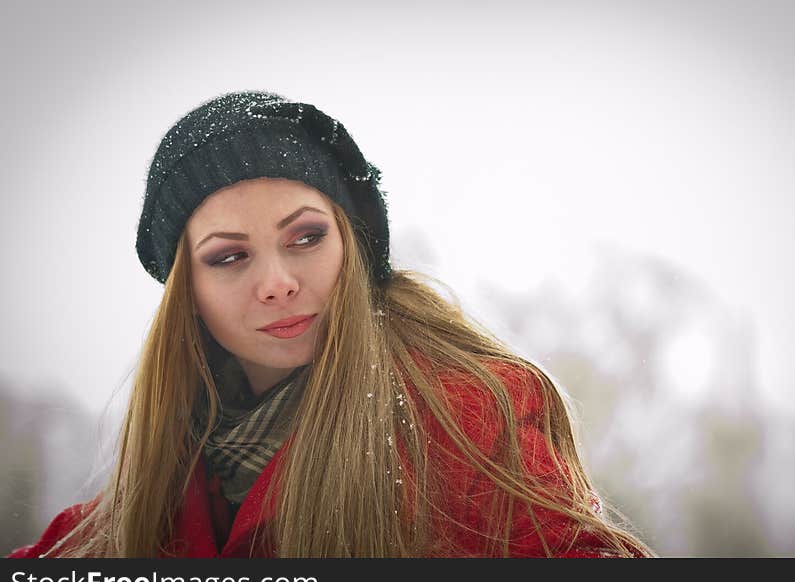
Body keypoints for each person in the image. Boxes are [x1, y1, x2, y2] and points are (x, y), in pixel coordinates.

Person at [9, 91, 655, 558]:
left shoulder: (465, 419)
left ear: (352, 244)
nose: (277, 283)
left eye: (306, 238)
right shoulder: (159, 483)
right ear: (190, 293)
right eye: (230, 257)